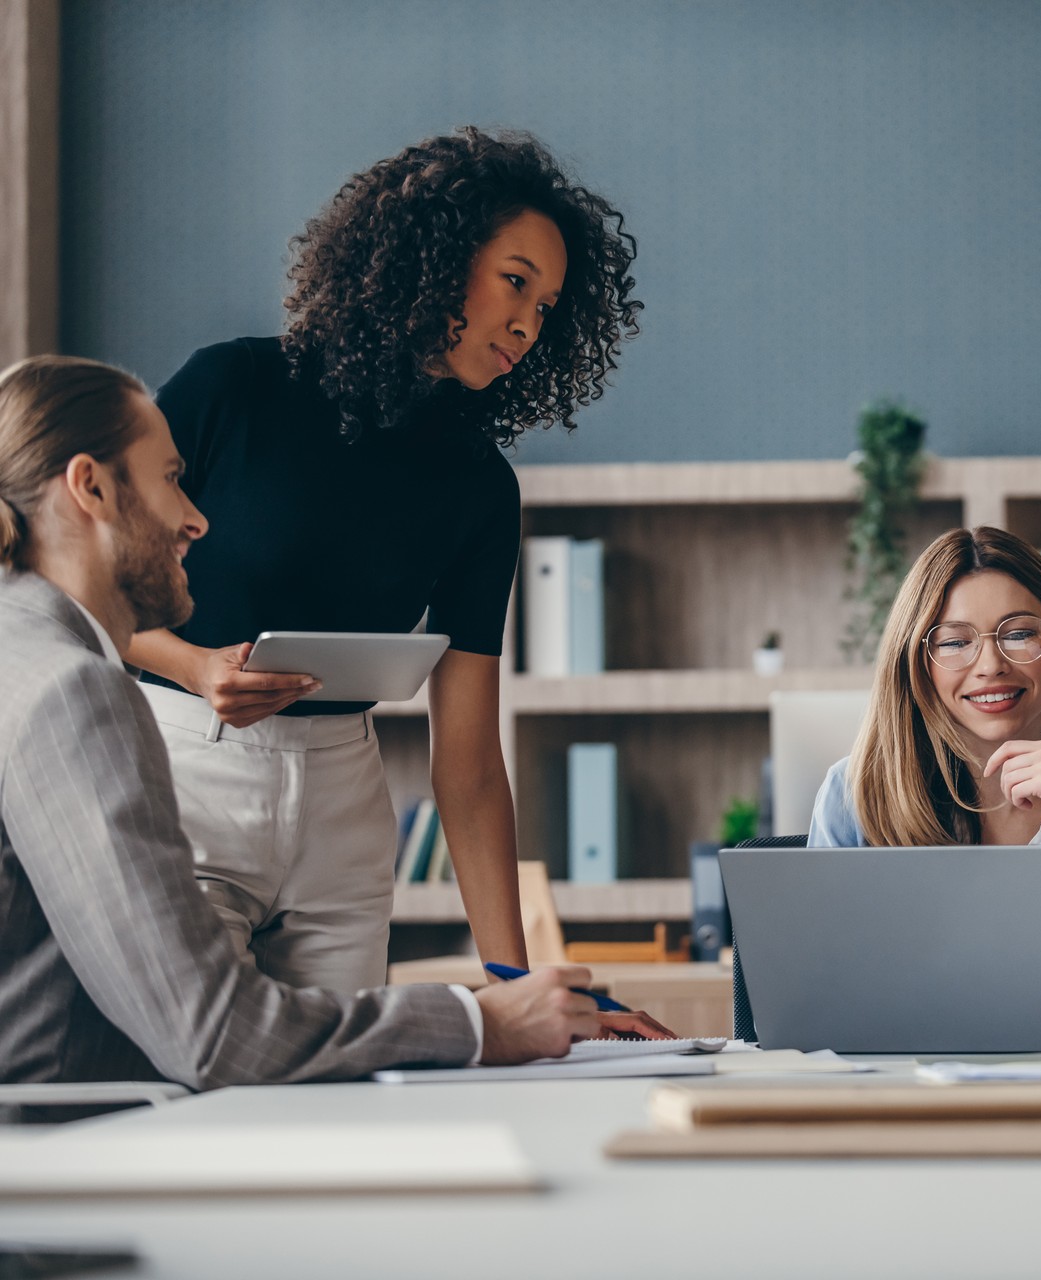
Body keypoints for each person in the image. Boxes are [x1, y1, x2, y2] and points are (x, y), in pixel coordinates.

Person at [0, 356, 663, 1087]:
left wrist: (511, 989)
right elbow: (218, 1034)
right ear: (90, 487)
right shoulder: (75, 694)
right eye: (171, 479)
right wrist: (484, 1022)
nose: (196, 518)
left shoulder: (29, 659)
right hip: (53, 1151)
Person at [122, 128, 642, 990]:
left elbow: (469, 762)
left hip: (344, 810)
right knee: (203, 1073)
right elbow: (72, 581)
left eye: (547, 307)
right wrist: (193, 666)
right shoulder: (231, 389)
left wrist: (513, 978)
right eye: (516, 282)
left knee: (340, 1107)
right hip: (189, 775)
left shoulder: (481, 488)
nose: (527, 323)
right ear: (434, 257)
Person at [809, 527, 1041, 1036]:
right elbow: (820, 1000)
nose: (990, 665)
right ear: (920, 663)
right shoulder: (854, 793)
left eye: (1018, 634)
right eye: (954, 642)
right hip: (907, 1093)